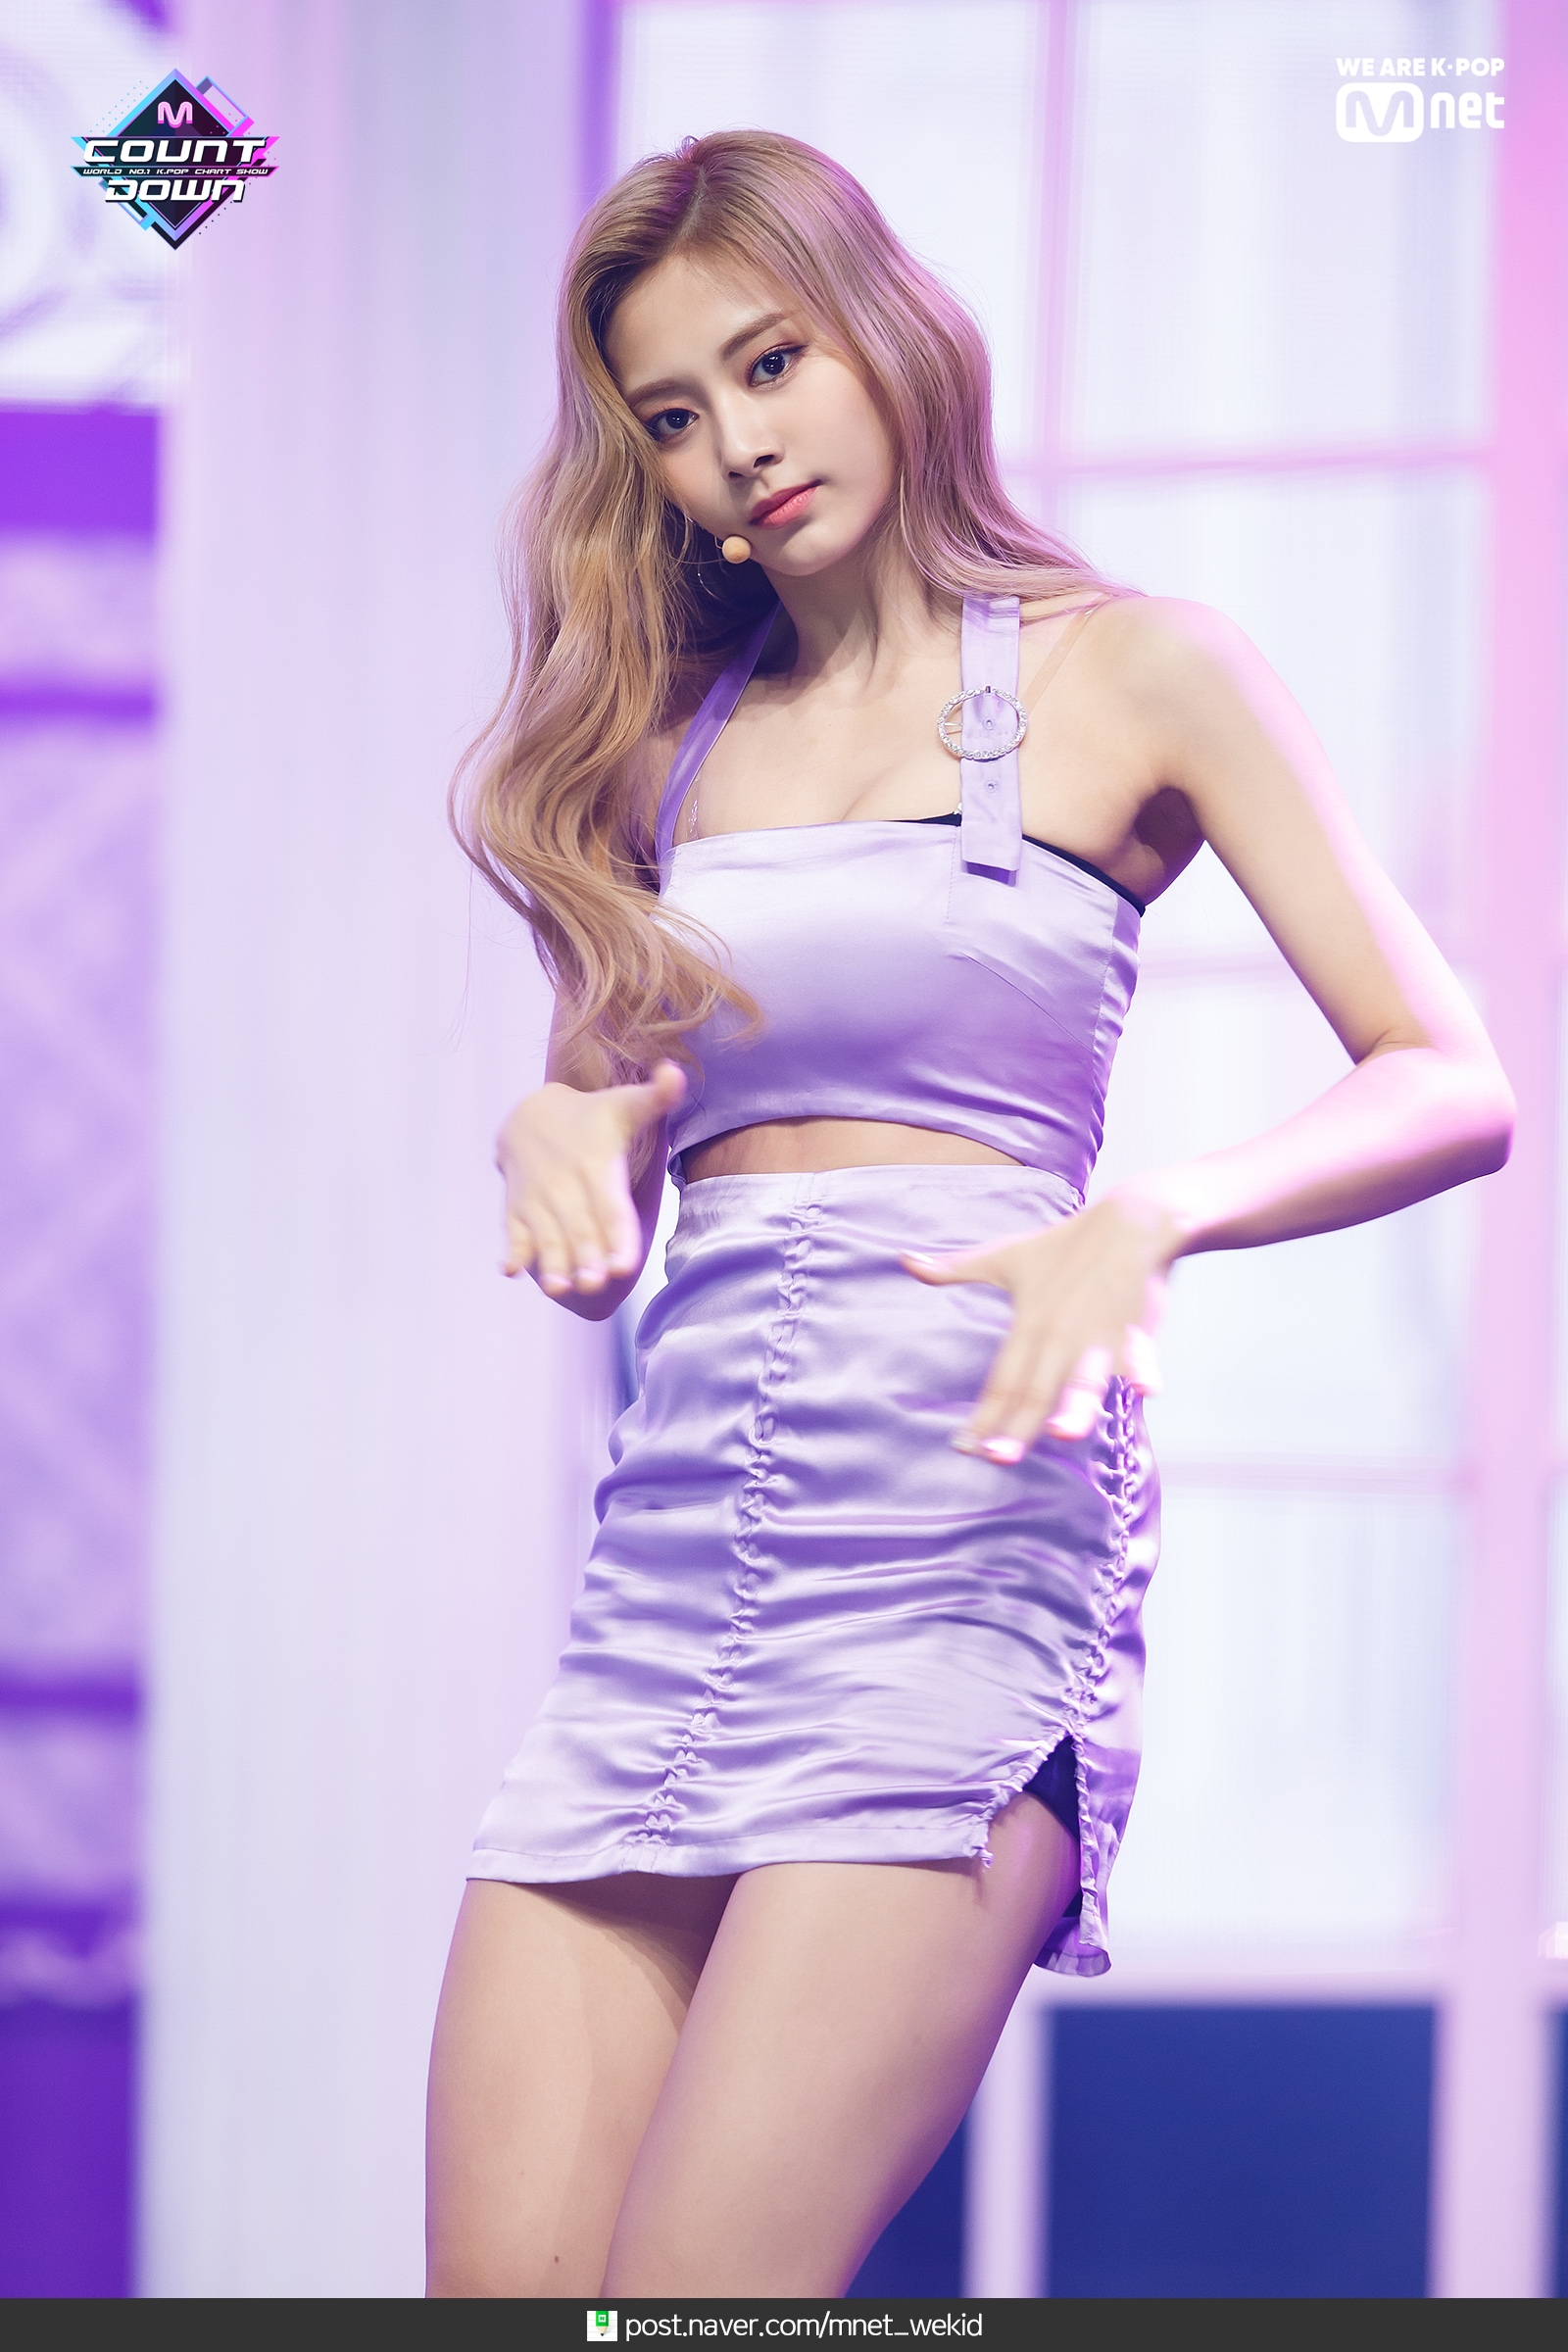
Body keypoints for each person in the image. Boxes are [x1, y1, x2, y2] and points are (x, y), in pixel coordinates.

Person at [424, 130, 1511, 2298]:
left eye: (770, 364)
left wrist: (1158, 1215)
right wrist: (552, 1133)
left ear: (884, 332)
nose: (739, 447)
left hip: (955, 1560)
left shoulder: (1137, 672)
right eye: (673, 416)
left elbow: (1449, 1075)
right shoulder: (656, 743)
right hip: (662, 1583)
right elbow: (618, 1113)